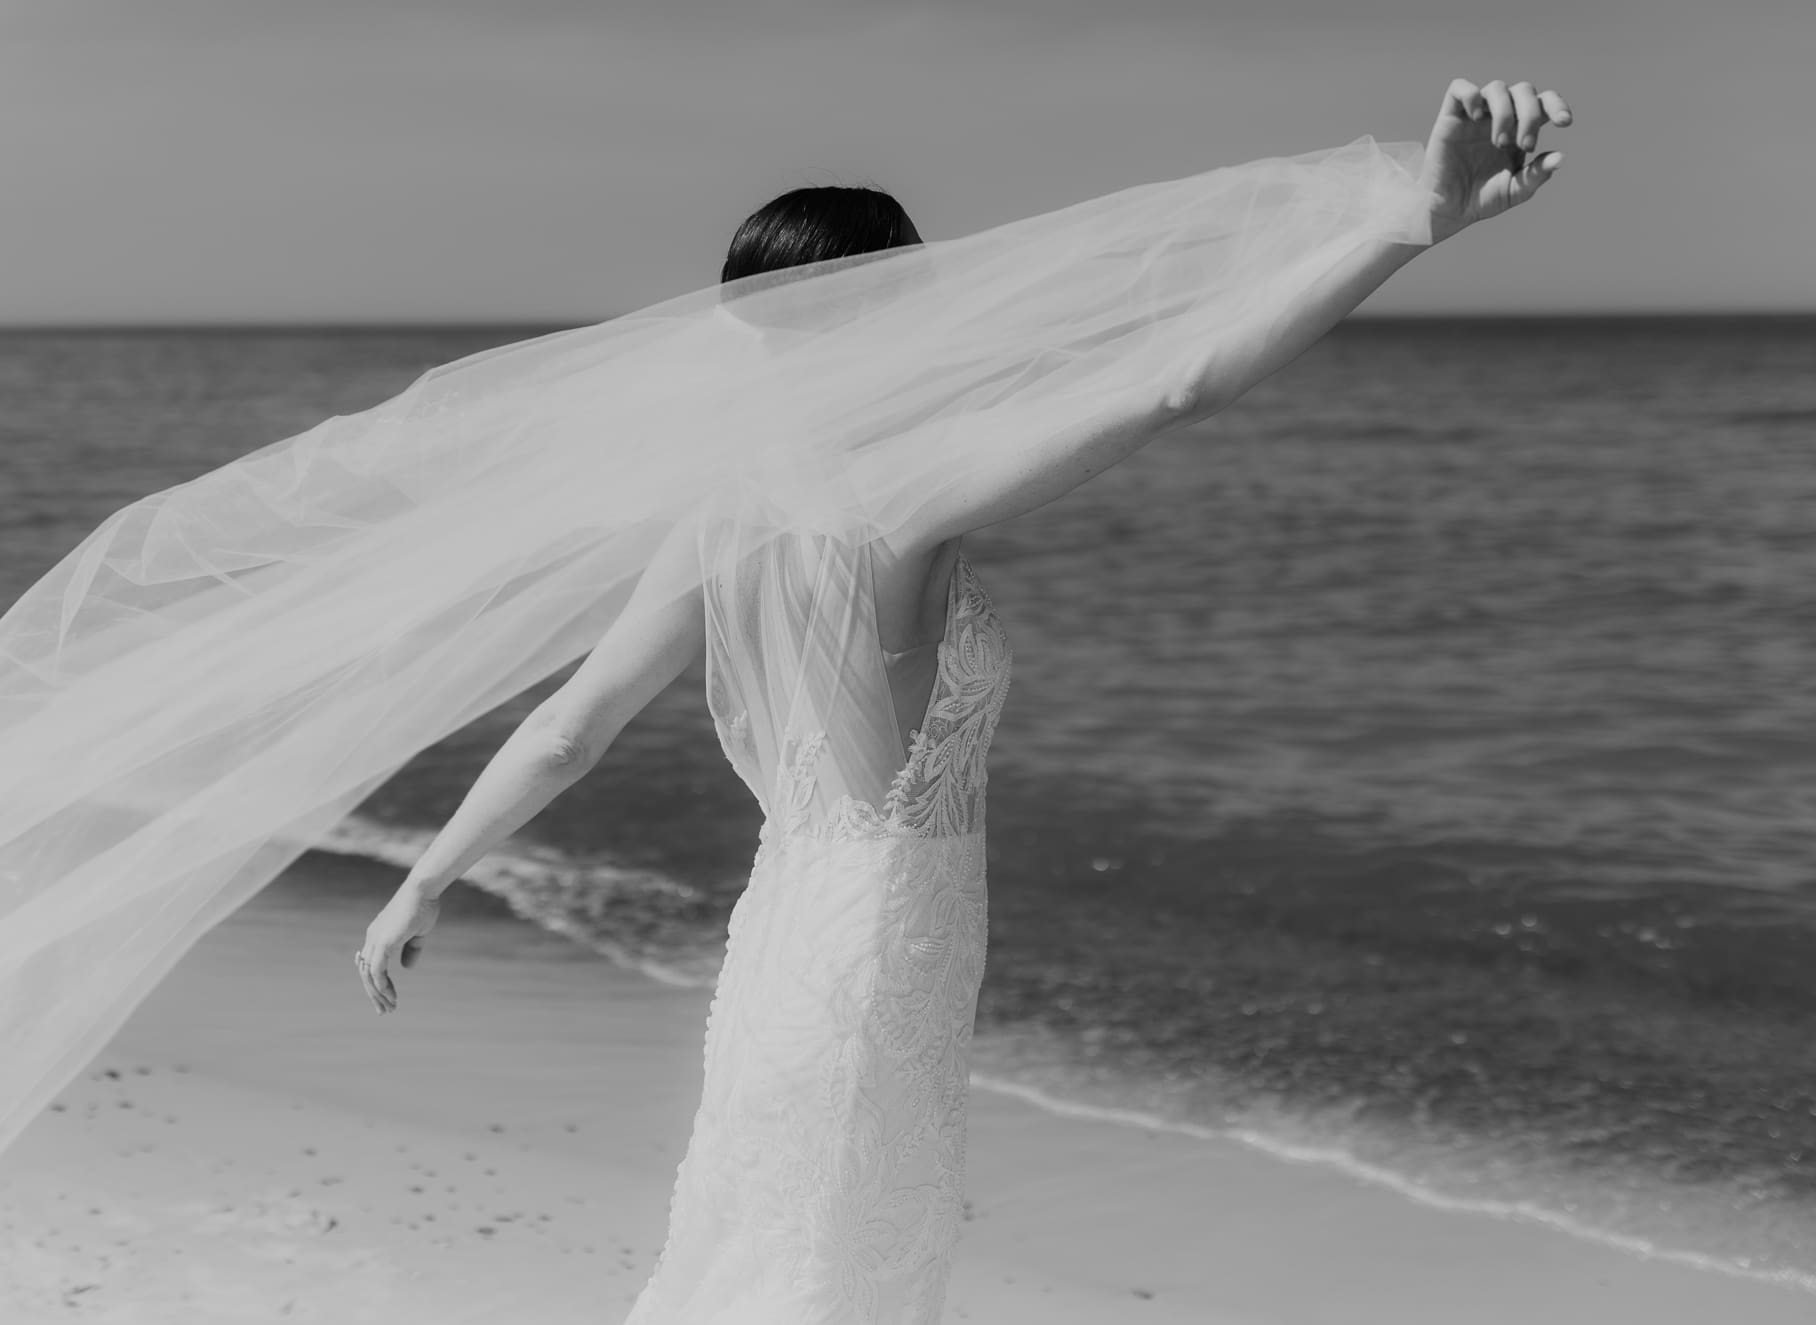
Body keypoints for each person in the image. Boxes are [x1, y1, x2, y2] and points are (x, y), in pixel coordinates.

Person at [352, 77, 1571, 1322]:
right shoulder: (897, 488)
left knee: (764, 1244)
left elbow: (570, 728)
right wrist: (1400, 229)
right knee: (837, 1267)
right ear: (898, 310)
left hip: (785, 936)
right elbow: (1172, 387)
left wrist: (425, 880)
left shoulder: (719, 512)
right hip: (880, 948)